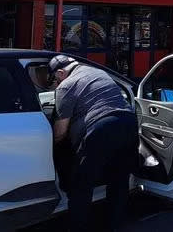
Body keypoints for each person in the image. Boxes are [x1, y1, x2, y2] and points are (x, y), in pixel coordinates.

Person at [49, 55, 138, 231]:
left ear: (61, 72)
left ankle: (78, 227)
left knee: (81, 185)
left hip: (101, 129)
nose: (55, 83)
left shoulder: (67, 85)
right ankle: (114, 224)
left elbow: (60, 132)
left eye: (55, 79)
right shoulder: (99, 73)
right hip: (128, 124)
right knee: (119, 181)